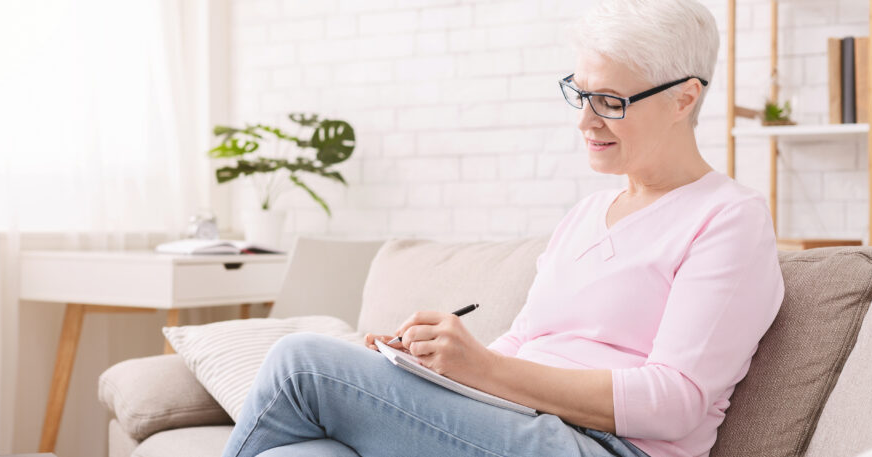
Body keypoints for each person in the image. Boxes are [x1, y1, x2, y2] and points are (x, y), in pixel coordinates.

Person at [221, 0, 785, 455]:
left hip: (604, 446)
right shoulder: (585, 216)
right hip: (513, 421)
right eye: (581, 94)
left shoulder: (728, 219)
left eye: (610, 101)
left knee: (299, 364)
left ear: (684, 98)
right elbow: (524, 344)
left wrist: (486, 368)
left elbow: (675, 400)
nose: (586, 121)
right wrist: (439, 364)